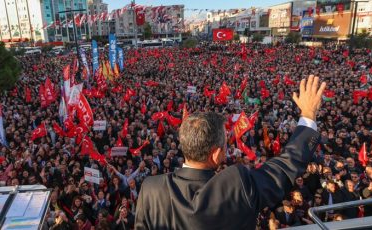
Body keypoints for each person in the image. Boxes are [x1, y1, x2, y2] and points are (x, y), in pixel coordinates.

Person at [134, 76, 326, 229]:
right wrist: (308, 115)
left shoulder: (151, 188)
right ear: (216, 155)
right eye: (225, 145)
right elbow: (285, 167)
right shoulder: (237, 184)